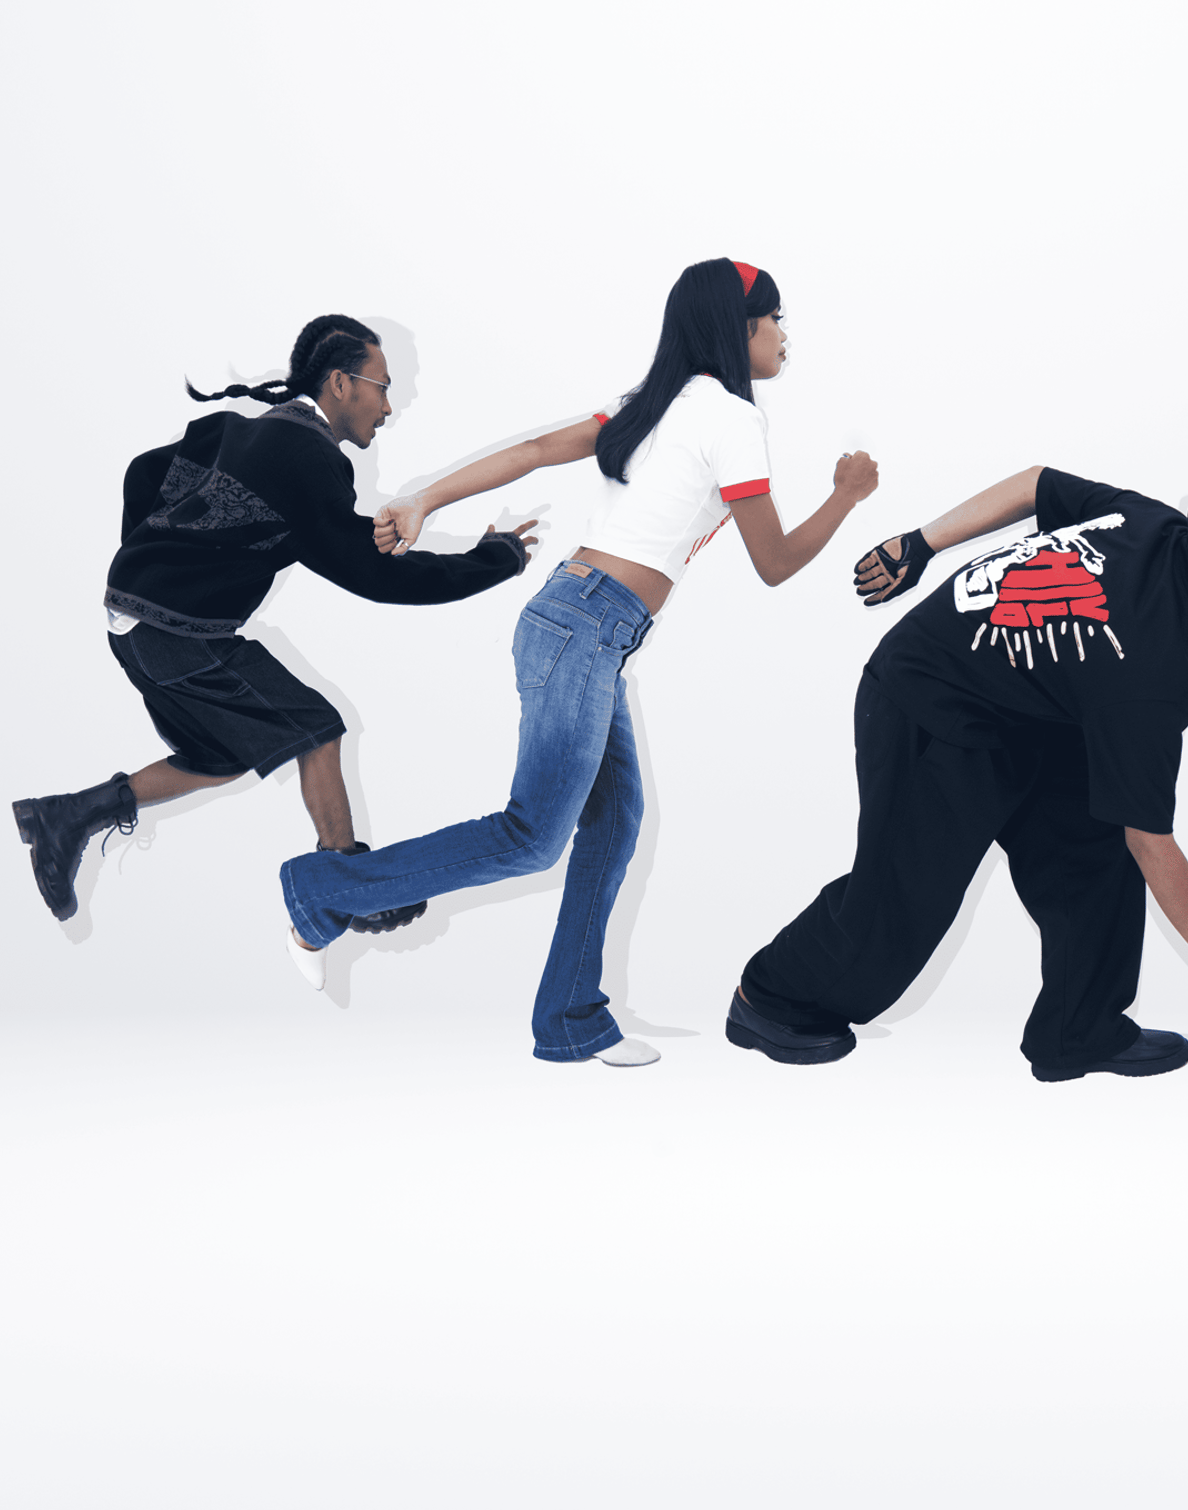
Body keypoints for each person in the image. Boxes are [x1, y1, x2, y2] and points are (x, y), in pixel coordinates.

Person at [277, 259, 879, 1069]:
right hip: (586, 627)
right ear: (739, 329)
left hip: (587, 625)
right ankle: (323, 892)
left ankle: (569, 1017)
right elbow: (772, 561)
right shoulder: (731, 417)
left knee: (614, 819)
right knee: (531, 836)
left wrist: (424, 499)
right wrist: (846, 495)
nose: (783, 335)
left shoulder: (654, 404)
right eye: (774, 318)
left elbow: (531, 450)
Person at [726, 459, 1188, 1081]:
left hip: (1030, 707)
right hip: (929, 697)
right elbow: (1153, 842)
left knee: (1092, 840)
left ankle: (1080, 1032)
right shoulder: (1152, 673)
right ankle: (768, 998)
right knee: (907, 893)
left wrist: (921, 543)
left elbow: (1035, 483)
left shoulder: (1153, 524)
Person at [13, 315, 535, 926]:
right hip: (172, 629)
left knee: (224, 753)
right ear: (341, 384)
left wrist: (147, 561)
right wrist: (493, 560)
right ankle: (345, 884)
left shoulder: (245, 431)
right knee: (316, 726)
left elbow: (144, 472)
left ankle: (69, 814)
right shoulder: (309, 458)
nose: (389, 407)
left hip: (138, 617)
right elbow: (379, 577)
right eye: (383, 387)